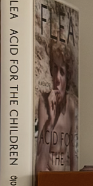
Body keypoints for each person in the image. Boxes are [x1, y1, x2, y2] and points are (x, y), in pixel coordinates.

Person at [36, 36, 77, 172]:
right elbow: (40, 168)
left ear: (68, 76)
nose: (57, 79)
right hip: (48, 179)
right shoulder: (44, 102)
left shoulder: (71, 105)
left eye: (62, 72)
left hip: (65, 182)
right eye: (54, 69)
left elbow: (73, 154)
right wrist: (50, 122)